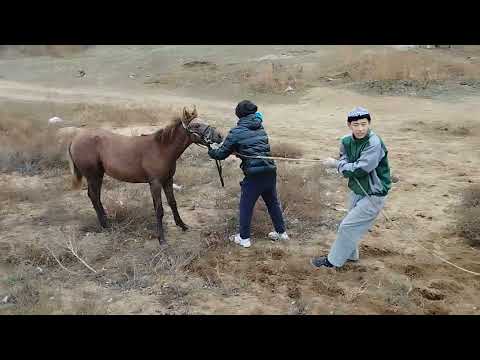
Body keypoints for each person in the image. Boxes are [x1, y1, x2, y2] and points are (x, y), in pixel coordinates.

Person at [311, 107, 391, 268]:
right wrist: (340, 163)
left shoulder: (374, 142)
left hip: (374, 193)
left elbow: (361, 169)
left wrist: (336, 165)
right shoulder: (346, 141)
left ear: (369, 124)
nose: (360, 128)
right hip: (357, 190)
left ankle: (332, 262)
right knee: (351, 225)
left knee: (347, 226)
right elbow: (345, 157)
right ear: (349, 125)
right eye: (356, 124)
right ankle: (350, 256)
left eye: (364, 124)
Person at [208, 100, 289, 248]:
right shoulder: (260, 127)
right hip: (270, 170)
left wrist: (211, 149)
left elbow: (220, 154)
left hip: (254, 175)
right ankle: (281, 232)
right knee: (272, 203)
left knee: (246, 205)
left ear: (238, 115)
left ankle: (244, 238)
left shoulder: (236, 132)